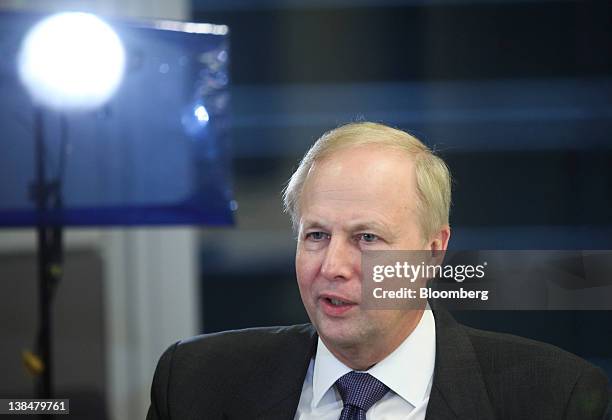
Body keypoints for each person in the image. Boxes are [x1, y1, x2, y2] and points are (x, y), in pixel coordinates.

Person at [146, 122, 610, 419]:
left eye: (367, 238)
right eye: (316, 235)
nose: (333, 266)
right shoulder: (194, 382)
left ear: (433, 251)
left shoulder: (553, 396)